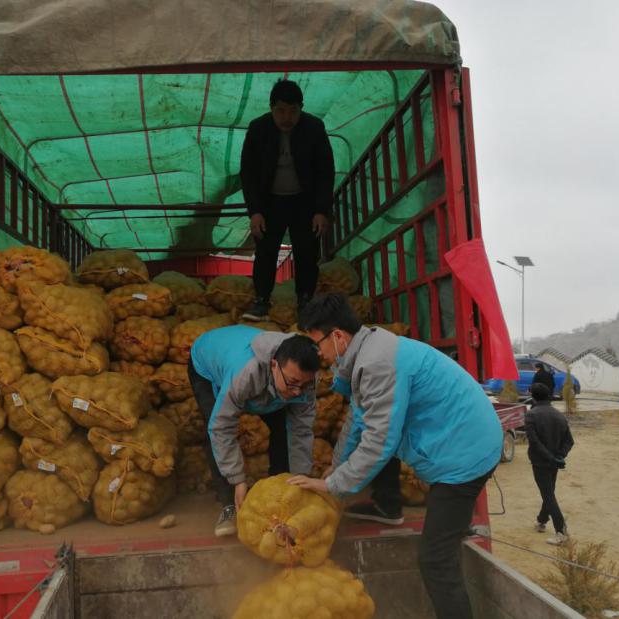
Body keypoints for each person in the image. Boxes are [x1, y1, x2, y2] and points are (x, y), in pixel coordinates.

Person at [287, 293, 502, 619]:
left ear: (338, 336)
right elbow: (357, 420)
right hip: (457, 440)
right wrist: (333, 472)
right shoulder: (367, 353)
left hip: (465, 454)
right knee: (439, 548)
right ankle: (390, 510)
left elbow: (379, 441)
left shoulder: (376, 364)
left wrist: (333, 486)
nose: (319, 354)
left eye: (318, 345)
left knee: (435, 560)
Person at [188, 325, 320, 537]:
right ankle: (229, 503)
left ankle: (281, 494)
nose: (297, 392)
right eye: (294, 383)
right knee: (215, 425)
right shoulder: (245, 374)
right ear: (274, 364)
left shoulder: (304, 379)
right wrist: (238, 480)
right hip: (207, 361)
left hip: (261, 375)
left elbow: (301, 430)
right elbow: (221, 428)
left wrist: (300, 479)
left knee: (283, 427)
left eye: (304, 386)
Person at [239, 79, 335, 320]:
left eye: (293, 111)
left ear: (301, 108)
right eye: (280, 111)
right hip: (270, 202)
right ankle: (261, 301)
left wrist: (321, 210)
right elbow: (248, 174)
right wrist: (255, 212)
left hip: (304, 201)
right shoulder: (258, 129)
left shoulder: (314, 128)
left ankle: (305, 302)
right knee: (265, 251)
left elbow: (325, 171)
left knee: (307, 251)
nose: (287, 117)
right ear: (271, 108)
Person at [525, 382, 574, 546]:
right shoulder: (559, 415)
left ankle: (561, 531)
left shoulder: (531, 415)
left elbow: (534, 442)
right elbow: (569, 441)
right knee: (549, 491)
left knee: (548, 494)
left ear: (533, 396)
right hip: (554, 463)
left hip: (540, 462)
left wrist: (552, 458)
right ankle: (541, 521)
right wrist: (559, 456)